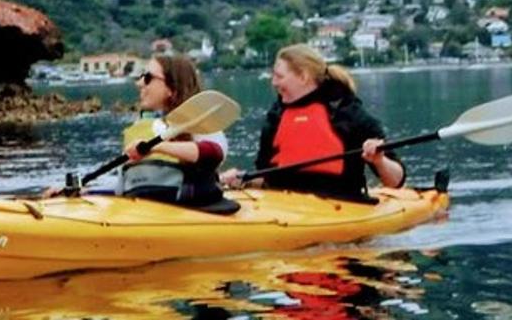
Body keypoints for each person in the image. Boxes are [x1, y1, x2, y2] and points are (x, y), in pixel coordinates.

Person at [220, 44, 404, 199]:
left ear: (303, 77)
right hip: (282, 205)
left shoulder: (348, 113)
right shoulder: (276, 116)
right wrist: (242, 179)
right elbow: (264, 177)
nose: (273, 82)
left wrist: (379, 161)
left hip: (340, 205)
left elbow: (396, 181)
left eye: (279, 76)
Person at [45, 54, 228, 207]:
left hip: (196, 211)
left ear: (171, 88)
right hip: (155, 211)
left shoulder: (201, 125)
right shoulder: (158, 127)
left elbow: (214, 153)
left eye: (148, 78)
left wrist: (157, 147)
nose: (139, 83)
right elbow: (126, 188)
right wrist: (84, 193)